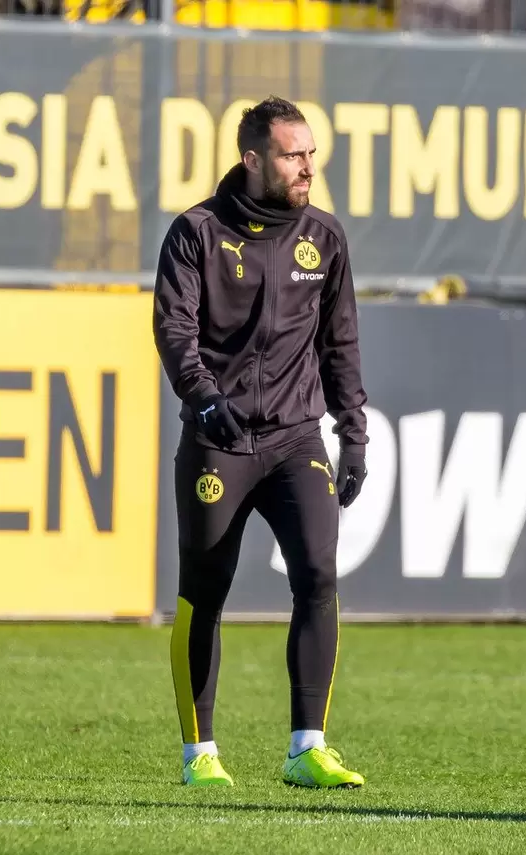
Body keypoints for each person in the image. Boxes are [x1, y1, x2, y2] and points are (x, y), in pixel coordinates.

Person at [153, 96, 369, 789]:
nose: (308, 166)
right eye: (293, 155)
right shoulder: (196, 233)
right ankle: (200, 754)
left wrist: (353, 433)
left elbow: (339, 345)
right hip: (219, 442)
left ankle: (307, 747)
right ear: (253, 159)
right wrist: (204, 396)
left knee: (318, 575)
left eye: (311, 153)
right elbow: (175, 332)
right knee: (204, 592)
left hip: (296, 438)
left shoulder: (325, 238)